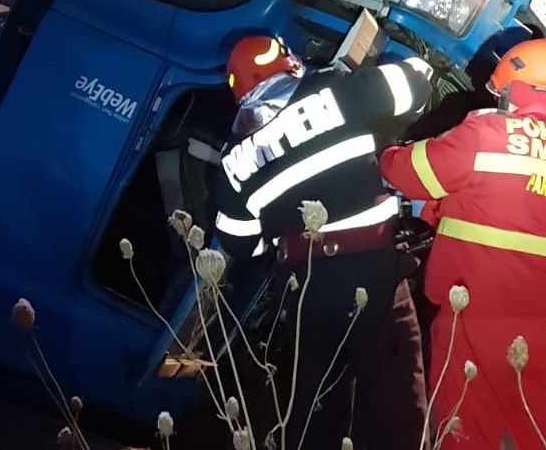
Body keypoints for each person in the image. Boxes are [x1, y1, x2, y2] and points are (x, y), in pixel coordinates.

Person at [214, 35, 432, 449]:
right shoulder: (331, 90)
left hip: (304, 288)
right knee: (395, 401)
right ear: (289, 63)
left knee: (314, 408)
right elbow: (415, 86)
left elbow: (239, 243)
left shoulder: (233, 160)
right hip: (372, 273)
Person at [379, 38, 546, 449]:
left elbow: (407, 173)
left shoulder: (487, 133)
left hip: (474, 316)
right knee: (533, 425)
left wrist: (384, 149)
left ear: (516, 89)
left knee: (466, 425)